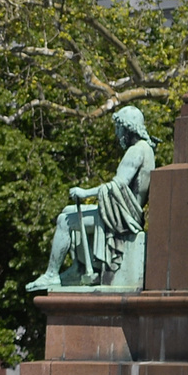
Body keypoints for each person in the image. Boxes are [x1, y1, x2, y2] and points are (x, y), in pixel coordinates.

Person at [26, 106, 156, 290]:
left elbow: (116, 185)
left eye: (119, 128)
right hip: (126, 212)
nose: (117, 133)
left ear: (128, 128)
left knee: (64, 220)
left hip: (123, 217)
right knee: (68, 211)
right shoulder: (147, 149)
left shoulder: (136, 151)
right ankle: (77, 268)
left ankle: (51, 274)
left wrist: (85, 192)